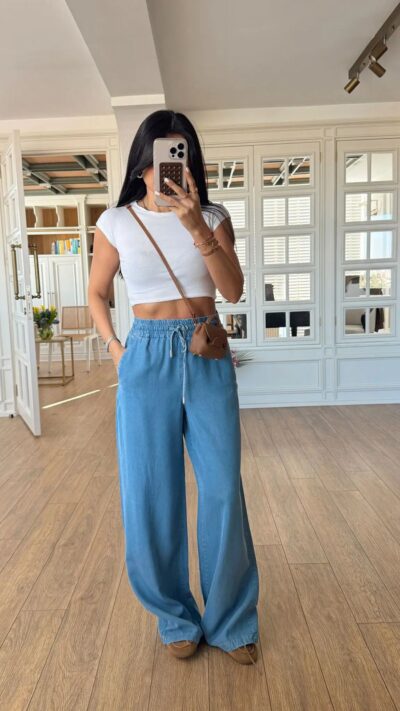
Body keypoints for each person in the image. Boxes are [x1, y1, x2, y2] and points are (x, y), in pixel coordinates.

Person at [88, 110, 260, 666]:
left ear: (190, 162)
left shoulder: (212, 215)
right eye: (159, 155)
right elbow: (96, 293)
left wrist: (195, 228)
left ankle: (231, 620)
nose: (168, 167)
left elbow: (232, 291)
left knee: (222, 487)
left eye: (180, 155)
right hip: (145, 353)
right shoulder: (116, 222)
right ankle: (174, 616)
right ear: (142, 162)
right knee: (150, 490)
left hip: (205, 348)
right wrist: (117, 350)